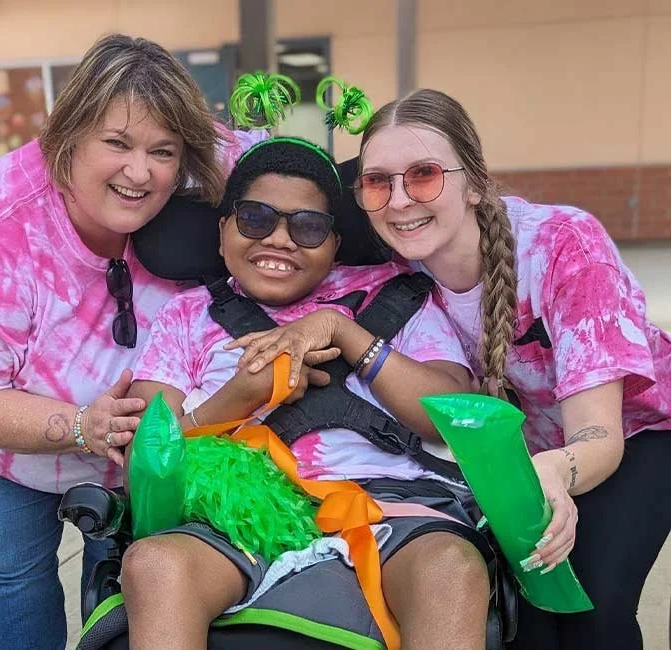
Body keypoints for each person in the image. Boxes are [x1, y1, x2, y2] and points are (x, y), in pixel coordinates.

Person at [236, 89, 671, 650]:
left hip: (633, 435)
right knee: (525, 620)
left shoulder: (564, 244)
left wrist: (557, 472)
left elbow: (599, 434)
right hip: (519, 450)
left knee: (591, 604)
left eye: (423, 175)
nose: (399, 201)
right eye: (378, 182)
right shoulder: (393, 266)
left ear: (475, 183)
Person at [0, 34, 264, 650]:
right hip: (6, 449)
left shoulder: (211, 172)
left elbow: (297, 177)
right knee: (14, 577)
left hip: (140, 452)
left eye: (163, 151)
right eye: (116, 143)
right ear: (67, 135)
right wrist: (81, 426)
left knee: (123, 580)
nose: (140, 171)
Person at [120, 137, 496, 650]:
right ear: (223, 227)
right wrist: (238, 398)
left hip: (390, 506)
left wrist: (345, 333)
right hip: (244, 514)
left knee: (452, 567)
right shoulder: (188, 315)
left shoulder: (393, 292)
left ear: (336, 243)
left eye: (308, 226)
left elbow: (453, 415)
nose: (280, 240)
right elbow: (147, 453)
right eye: (255, 218)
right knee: (156, 564)